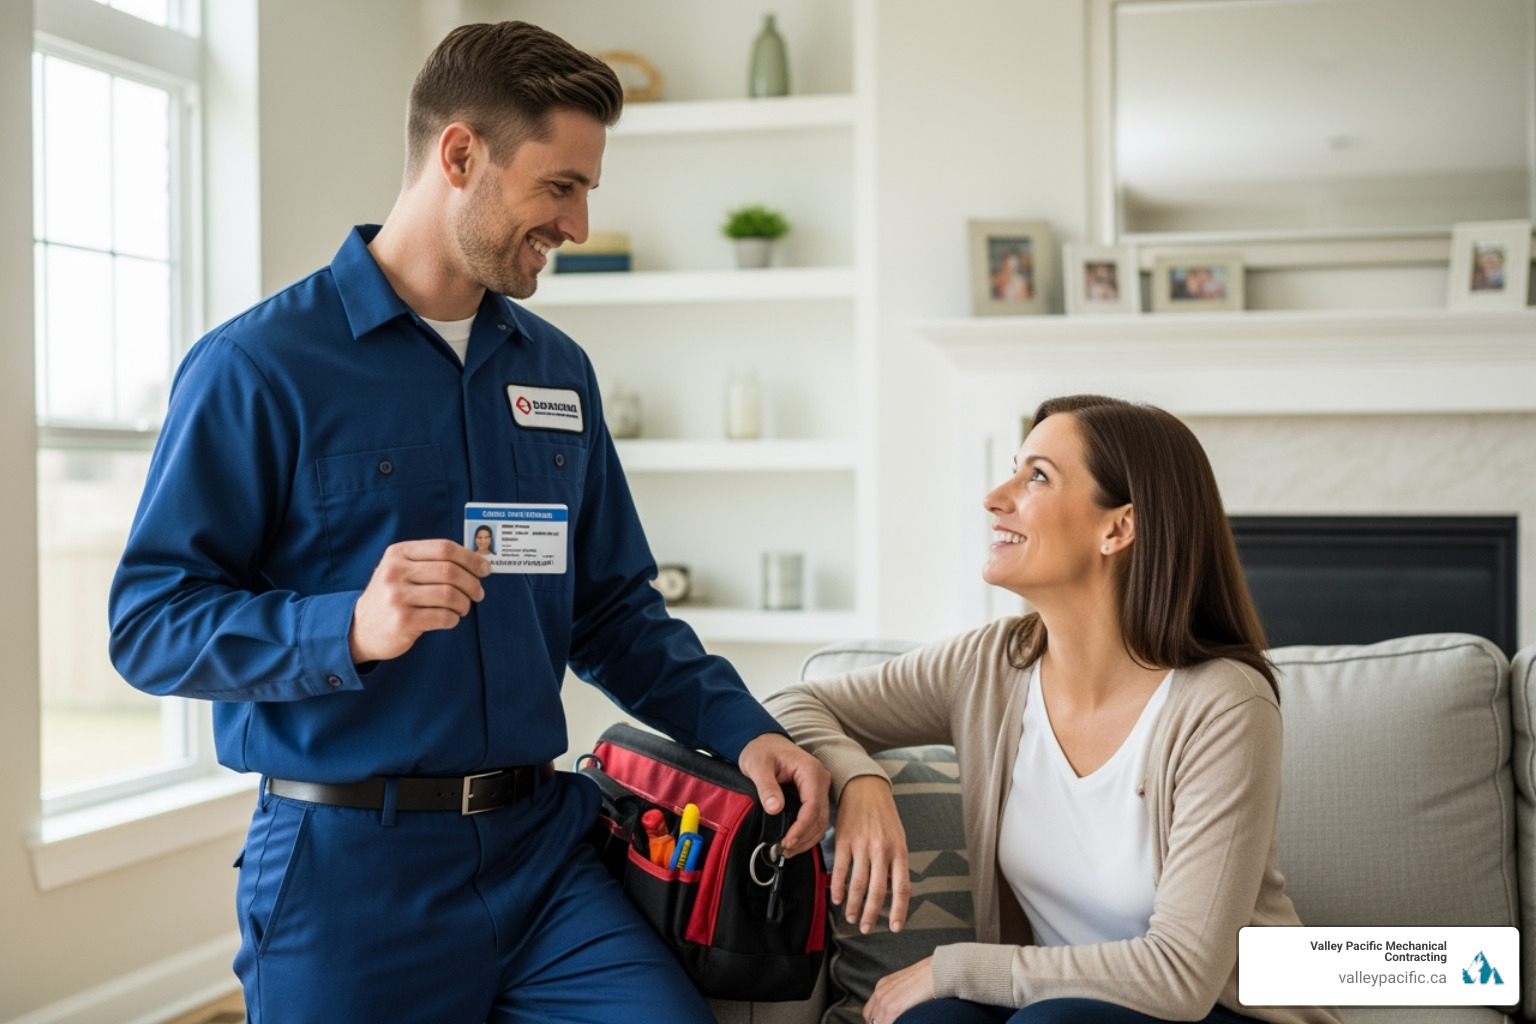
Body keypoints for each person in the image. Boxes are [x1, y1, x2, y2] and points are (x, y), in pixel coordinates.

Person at [108, 21, 828, 1024]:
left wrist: (743, 730)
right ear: (460, 156)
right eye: (559, 186)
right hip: (349, 871)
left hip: (543, 857)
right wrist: (347, 625)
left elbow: (615, 609)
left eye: (586, 191)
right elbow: (148, 623)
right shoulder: (259, 367)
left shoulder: (558, 371)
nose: (576, 223)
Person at [765, 395, 1340, 1024]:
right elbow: (790, 702)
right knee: (931, 1022)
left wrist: (952, 967)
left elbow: (1181, 973)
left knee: (1045, 1020)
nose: (995, 497)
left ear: (1117, 528)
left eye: (1036, 476)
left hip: (1217, 1013)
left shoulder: (1224, 704)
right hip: (1055, 1004)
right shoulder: (990, 665)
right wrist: (861, 779)